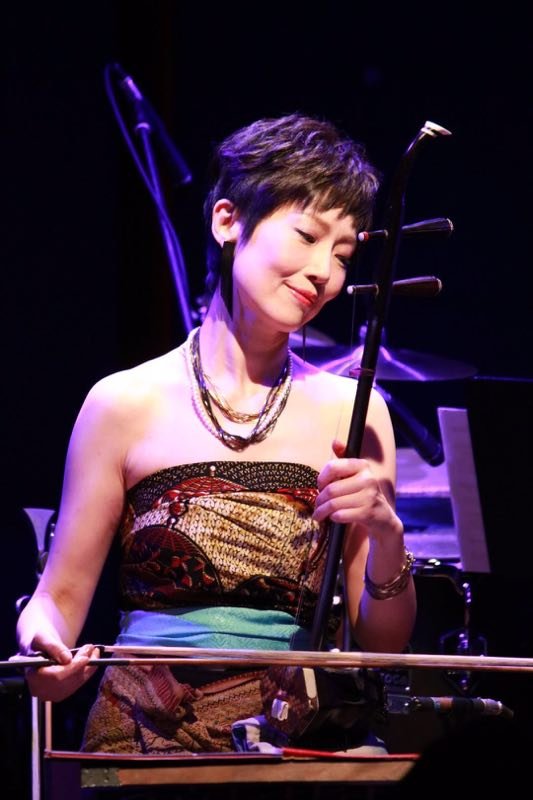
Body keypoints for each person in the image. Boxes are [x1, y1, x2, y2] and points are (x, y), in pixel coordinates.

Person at [16, 113, 416, 754]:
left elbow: (384, 644)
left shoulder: (356, 411)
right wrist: (41, 645)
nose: (324, 272)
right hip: (141, 735)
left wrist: (388, 533)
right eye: (307, 236)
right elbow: (57, 599)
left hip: (288, 740)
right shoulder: (121, 403)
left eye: (343, 256)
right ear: (228, 220)